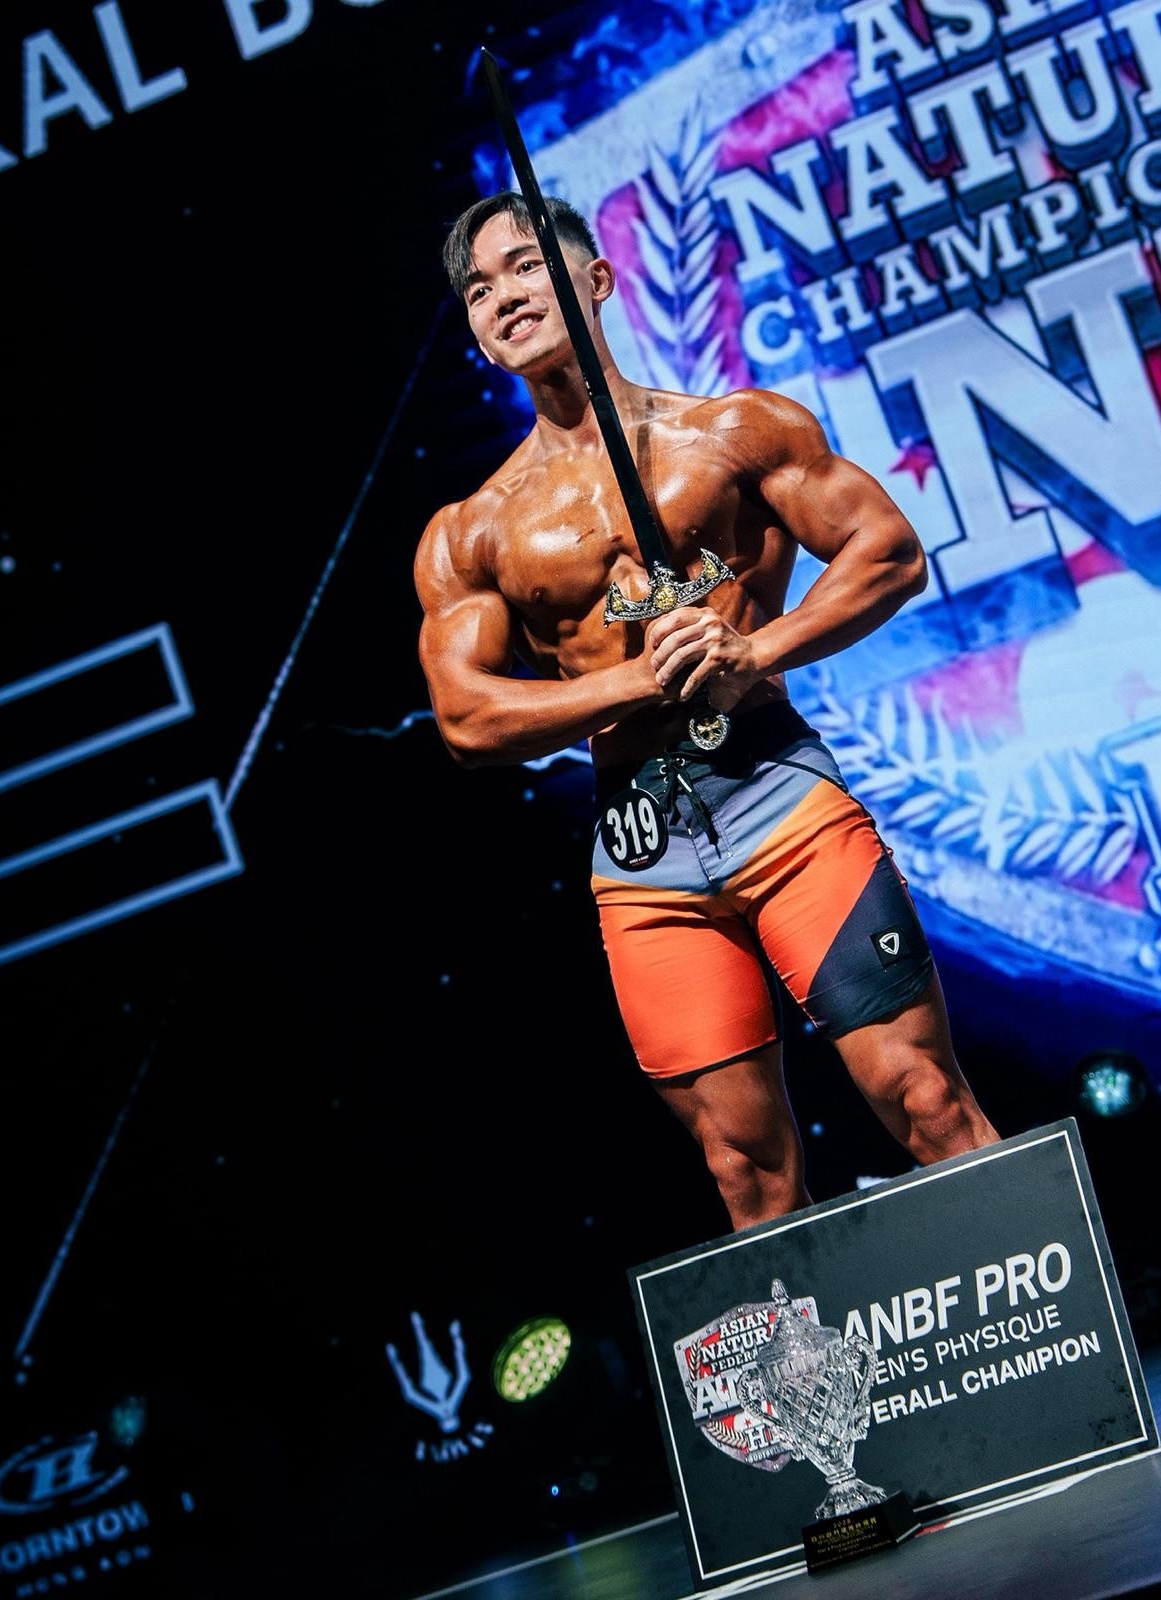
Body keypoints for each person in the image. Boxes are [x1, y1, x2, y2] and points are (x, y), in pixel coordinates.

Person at [414, 190, 1000, 1231]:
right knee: (742, 1168)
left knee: (920, 1093)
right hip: (643, 854)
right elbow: (465, 720)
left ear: (598, 279)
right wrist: (641, 681)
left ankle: (1058, 1330)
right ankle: (810, 1352)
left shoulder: (734, 430)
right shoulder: (470, 531)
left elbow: (887, 552)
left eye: (526, 266)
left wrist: (752, 650)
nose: (503, 297)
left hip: (776, 794)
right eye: (478, 289)